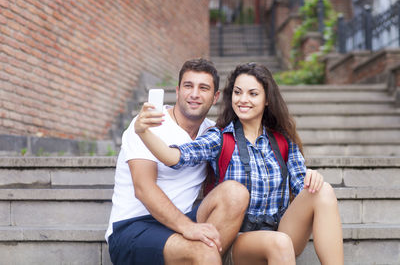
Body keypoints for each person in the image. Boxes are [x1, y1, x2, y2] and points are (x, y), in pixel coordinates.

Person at [135, 62, 344, 265]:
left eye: (253, 94)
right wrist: (143, 132)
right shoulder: (219, 137)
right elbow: (175, 156)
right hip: (237, 239)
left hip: (281, 231)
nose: (243, 100)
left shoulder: (282, 142)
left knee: (322, 190)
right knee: (279, 243)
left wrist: (311, 178)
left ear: (267, 99)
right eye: (238, 92)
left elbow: (301, 189)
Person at [106, 58, 249, 265]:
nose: (194, 94)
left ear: (215, 96)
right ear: (178, 90)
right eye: (188, 86)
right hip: (133, 228)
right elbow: (143, 188)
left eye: (203, 88)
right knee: (204, 252)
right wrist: (187, 227)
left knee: (236, 193)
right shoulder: (147, 125)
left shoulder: (211, 134)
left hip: (181, 224)